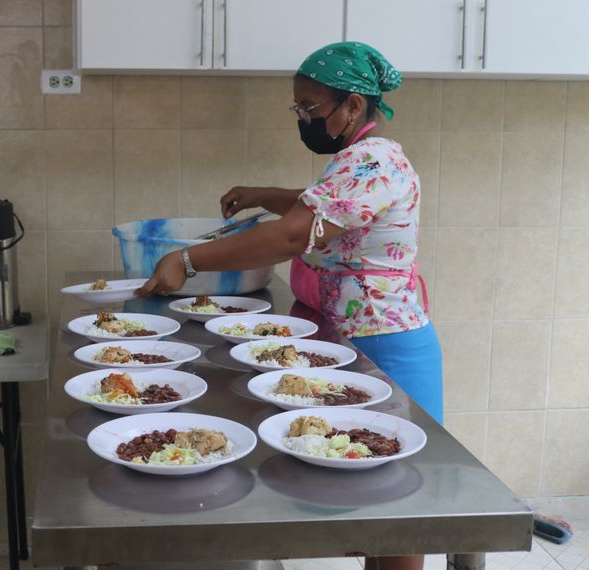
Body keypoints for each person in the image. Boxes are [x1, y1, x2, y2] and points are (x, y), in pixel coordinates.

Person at [136, 42, 442, 570]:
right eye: (297, 109)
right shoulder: (356, 160)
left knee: (394, 506)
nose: (303, 119)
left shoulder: (372, 157)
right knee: (365, 480)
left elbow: (292, 236)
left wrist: (188, 260)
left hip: (384, 344)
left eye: (311, 108)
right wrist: (265, 193)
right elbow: (319, 204)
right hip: (356, 337)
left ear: (352, 106)